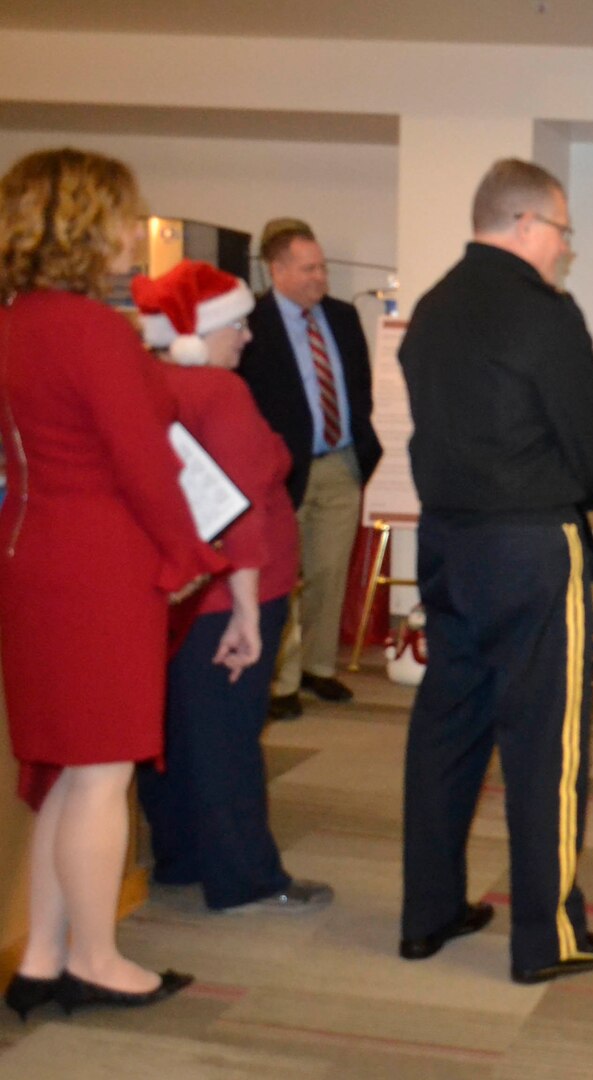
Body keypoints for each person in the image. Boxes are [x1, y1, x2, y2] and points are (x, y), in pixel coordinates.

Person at [0, 148, 226, 1017]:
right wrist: (187, 559)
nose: (135, 232)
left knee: (64, 770)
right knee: (101, 772)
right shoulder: (90, 329)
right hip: (96, 563)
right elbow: (143, 466)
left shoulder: (19, 317)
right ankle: (96, 957)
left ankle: (44, 958)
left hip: (33, 555)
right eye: (124, 216)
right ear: (82, 225)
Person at [397, 158, 593, 984]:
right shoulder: (544, 316)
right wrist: (590, 487)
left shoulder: (429, 309)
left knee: (447, 725)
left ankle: (427, 913)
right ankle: (548, 939)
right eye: (562, 232)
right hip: (531, 549)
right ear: (526, 224)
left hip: (448, 546)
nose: (566, 250)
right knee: (545, 744)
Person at [130, 260, 334, 914]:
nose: (247, 338)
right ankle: (244, 876)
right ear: (200, 331)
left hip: (168, 592)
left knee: (174, 732)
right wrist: (248, 610)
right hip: (231, 596)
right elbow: (242, 508)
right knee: (228, 740)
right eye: (238, 326)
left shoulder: (141, 384)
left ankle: (181, 856)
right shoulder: (219, 394)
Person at [238, 218, 382, 720]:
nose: (321, 277)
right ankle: (284, 680)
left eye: (322, 267)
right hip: (282, 472)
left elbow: (359, 386)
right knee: (284, 577)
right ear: (277, 270)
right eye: (309, 268)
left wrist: (362, 445)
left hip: (341, 463)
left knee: (328, 571)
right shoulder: (252, 324)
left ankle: (321, 668)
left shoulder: (341, 318)